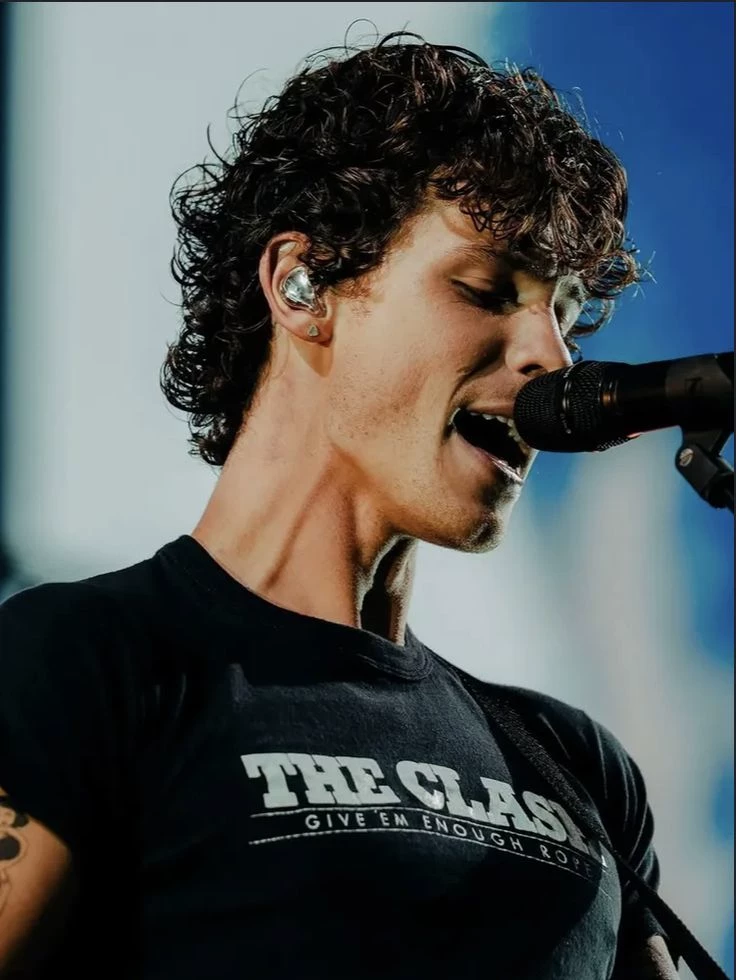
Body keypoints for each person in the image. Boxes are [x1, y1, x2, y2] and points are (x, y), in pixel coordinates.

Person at [0, 32, 680, 980]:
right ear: (302, 285)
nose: (552, 359)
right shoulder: (79, 665)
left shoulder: (576, 764)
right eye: (487, 289)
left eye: (564, 315)